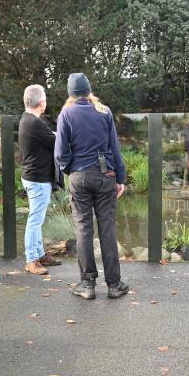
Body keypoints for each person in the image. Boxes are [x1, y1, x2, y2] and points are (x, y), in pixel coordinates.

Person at [55, 73, 129, 300]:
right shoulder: (104, 111)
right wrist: (120, 178)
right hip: (106, 175)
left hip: (80, 177)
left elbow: (60, 153)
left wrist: (71, 170)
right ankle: (114, 285)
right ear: (89, 90)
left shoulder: (66, 114)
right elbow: (114, 148)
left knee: (83, 230)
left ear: (71, 93)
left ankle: (87, 285)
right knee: (107, 229)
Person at [18, 85, 62, 275]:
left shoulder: (27, 120)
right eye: (45, 99)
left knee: (38, 218)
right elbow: (57, 142)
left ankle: (40, 254)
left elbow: (50, 136)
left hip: (33, 177)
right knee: (35, 220)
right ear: (40, 102)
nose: (46, 102)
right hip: (37, 179)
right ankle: (31, 260)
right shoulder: (35, 123)